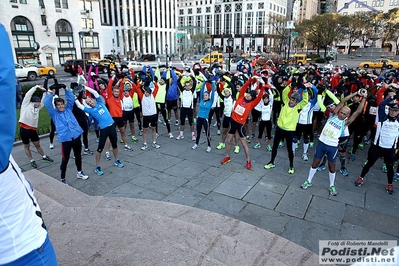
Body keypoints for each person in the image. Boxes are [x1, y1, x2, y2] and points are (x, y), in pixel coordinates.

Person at [0, 22, 58, 266]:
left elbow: (41, 101)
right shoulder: (25, 106)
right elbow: (5, 81)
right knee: (26, 148)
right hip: (24, 250)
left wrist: (42, 95)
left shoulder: (36, 108)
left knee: (34, 146)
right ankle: (34, 158)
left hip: (18, 247)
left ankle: (39, 155)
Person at [301, 89, 367, 196]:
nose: (341, 114)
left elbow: (358, 112)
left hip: (332, 147)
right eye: (341, 112)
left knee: (332, 167)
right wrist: (355, 93)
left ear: (347, 116)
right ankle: (309, 181)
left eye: (344, 114)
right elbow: (342, 101)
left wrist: (364, 98)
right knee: (315, 163)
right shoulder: (333, 115)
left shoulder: (345, 123)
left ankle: (331, 185)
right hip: (322, 144)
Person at [43, 84, 89, 184]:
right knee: (65, 159)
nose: (61, 106)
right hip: (66, 139)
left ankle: (79, 172)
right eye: (58, 105)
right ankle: (63, 178)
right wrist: (51, 91)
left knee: (78, 156)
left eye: (61, 104)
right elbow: (46, 103)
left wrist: (66, 89)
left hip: (76, 136)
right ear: (56, 106)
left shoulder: (68, 109)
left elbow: (71, 99)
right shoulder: (54, 113)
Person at [354, 93, 399, 195]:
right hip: (377, 146)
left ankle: (389, 184)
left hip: (390, 149)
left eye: (395, 111)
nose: (393, 113)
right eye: (392, 110)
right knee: (369, 163)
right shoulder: (383, 117)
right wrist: (392, 98)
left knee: (390, 167)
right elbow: (382, 105)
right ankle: (361, 178)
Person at [75, 86, 124, 176]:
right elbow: (80, 106)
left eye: (90, 101)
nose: (90, 103)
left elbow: (95, 92)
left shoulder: (100, 102)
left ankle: (117, 160)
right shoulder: (91, 110)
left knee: (115, 145)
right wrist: (74, 97)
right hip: (104, 129)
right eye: (88, 103)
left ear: (93, 99)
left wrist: (85, 87)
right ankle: (97, 166)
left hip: (112, 126)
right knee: (100, 148)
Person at [221, 76, 266, 169]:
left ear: (252, 98)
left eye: (249, 95)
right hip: (233, 121)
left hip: (240, 124)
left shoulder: (252, 104)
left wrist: (263, 85)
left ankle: (248, 161)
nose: (247, 95)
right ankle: (227, 156)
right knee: (229, 140)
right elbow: (245, 86)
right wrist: (251, 79)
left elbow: (260, 95)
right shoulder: (241, 96)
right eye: (248, 94)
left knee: (243, 143)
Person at [264, 82, 309, 174]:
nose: (291, 101)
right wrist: (290, 85)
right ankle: (272, 161)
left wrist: (304, 90)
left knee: (289, 149)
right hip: (279, 128)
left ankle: (291, 165)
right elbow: (284, 92)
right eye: (291, 99)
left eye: (294, 100)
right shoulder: (285, 102)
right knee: (275, 146)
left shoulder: (298, 107)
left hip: (289, 131)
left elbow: (305, 100)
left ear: (296, 101)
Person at [19, 84, 53, 168]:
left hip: (32, 129)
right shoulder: (26, 105)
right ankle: (32, 160)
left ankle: (44, 157)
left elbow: (43, 101)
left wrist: (45, 93)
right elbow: (28, 95)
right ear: (32, 102)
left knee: (37, 144)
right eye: (37, 102)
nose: (38, 103)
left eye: (39, 102)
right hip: (24, 128)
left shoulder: (38, 107)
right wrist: (36, 87)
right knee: (27, 146)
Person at [192, 79, 216, 152]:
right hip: (199, 118)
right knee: (198, 132)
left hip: (205, 119)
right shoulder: (202, 100)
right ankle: (196, 143)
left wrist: (212, 83)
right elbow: (202, 90)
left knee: (207, 133)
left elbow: (213, 91)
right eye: (204, 95)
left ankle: (209, 146)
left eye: (206, 95)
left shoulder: (210, 101)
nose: (204, 96)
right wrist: (204, 82)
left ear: (208, 96)